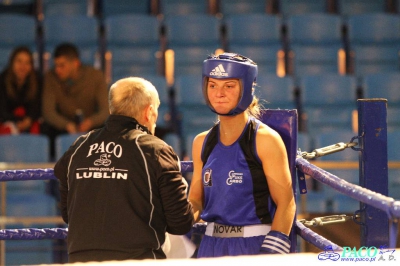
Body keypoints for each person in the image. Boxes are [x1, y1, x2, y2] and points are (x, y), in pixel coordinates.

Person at [53, 77, 194, 263]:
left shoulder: (78, 146)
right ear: (149, 112)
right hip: (138, 260)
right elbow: (180, 223)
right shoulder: (156, 150)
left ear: (112, 109)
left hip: (80, 260)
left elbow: (67, 214)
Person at [188, 53, 296, 257]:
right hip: (210, 244)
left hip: (253, 243)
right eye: (213, 85)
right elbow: (196, 199)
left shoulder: (265, 140)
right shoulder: (201, 142)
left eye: (229, 86)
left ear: (246, 88)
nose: (219, 93)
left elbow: (286, 202)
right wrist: (177, 217)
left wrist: (272, 252)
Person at [41, 42, 109, 158]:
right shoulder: (51, 77)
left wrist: (90, 122)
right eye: (56, 65)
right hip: (61, 129)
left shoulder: (95, 76)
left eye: (62, 65)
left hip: (92, 129)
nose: (57, 70)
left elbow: (106, 111)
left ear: (76, 63)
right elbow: (48, 112)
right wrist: (66, 125)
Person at [0, 46, 41, 134]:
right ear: (12, 63)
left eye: (27, 62)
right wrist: (18, 121)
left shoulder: (37, 80)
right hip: (8, 121)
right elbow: (2, 111)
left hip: (30, 122)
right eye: (19, 61)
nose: (23, 66)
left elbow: (37, 107)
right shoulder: (2, 79)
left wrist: (29, 120)